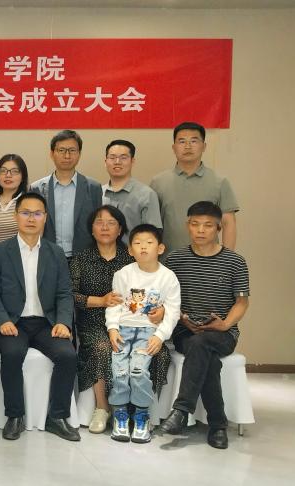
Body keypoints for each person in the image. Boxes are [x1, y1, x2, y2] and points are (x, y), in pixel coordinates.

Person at [0, 192, 80, 441]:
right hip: (12, 322)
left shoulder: (55, 252)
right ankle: (15, 416)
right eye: (25, 213)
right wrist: (2, 320)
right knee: (12, 353)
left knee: (68, 355)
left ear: (45, 218)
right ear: (16, 216)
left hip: (46, 323)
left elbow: (64, 292)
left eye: (37, 213)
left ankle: (57, 417)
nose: (31, 219)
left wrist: (63, 322)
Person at [70, 205, 171, 435]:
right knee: (102, 347)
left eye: (111, 223)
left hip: (136, 323)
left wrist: (163, 310)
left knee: (159, 352)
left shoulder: (132, 256)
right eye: (99, 222)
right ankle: (103, 408)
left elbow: (159, 288)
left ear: (120, 229)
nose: (105, 227)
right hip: (93, 321)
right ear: (91, 230)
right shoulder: (81, 259)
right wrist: (100, 301)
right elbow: (69, 295)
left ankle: (141, 410)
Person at [157, 201, 250, 449]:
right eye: (195, 224)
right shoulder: (175, 259)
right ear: (187, 225)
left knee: (202, 345)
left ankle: (181, 410)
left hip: (223, 333)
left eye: (208, 225)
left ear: (218, 228)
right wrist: (181, 318)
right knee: (204, 353)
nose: (200, 230)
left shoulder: (235, 261)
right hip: (185, 331)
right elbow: (166, 299)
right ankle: (217, 425)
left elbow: (242, 302)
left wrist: (225, 324)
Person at [104, 223, 181, 444]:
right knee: (119, 371)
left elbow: (173, 311)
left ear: (160, 248)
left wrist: (160, 335)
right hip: (123, 330)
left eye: (149, 242)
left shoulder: (168, 277)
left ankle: (141, 416)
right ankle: (120, 415)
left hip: (149, 332)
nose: (143, 247)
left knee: (138, 371)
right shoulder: (123, 274)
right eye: (137, 243)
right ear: (130, 250)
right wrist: (112, 328)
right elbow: (114, 305)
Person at [150, 122, 240, 251]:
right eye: (182, 141)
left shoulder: (220, 182)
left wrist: (226, 259)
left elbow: (228, 223)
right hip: (167, 259)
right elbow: (151, 226)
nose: (188, 146)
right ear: (174, 148)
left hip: (208, 259)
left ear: (204, 146)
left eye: (194, 141)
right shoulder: (158, 182)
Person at [29, 130, 103, 257]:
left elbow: (98, 224)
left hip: (84, 258)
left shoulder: (93, 187)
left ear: (79, 153)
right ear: (52, 153)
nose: (67, 156)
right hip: (47, 256)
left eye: (72, 150)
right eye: (61, 150)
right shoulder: (37, 188)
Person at [101, 139, 162, 245]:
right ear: (105, 162)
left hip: (134, 254)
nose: (117, 162)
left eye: (123, 158)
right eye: (112, 157)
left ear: (132, 161)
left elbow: (153, 235)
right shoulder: (98, 192)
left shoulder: (146, 194)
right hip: (102, 254)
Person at [0, 154, 28, 247]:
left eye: (14, 171)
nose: (8, 175)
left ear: (23, 177)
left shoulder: (28, 202)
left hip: (20, 255)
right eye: (3, 171)